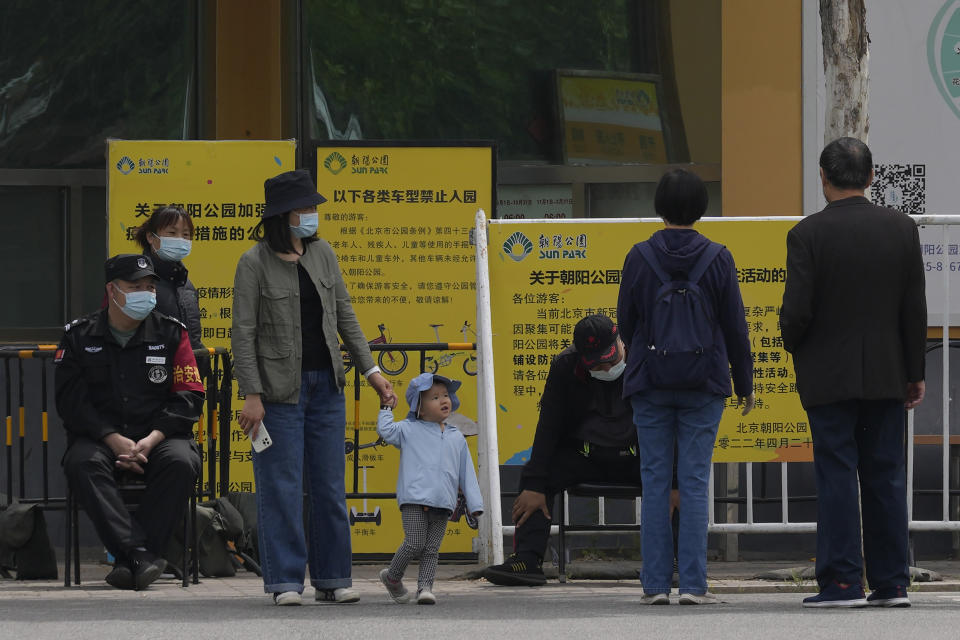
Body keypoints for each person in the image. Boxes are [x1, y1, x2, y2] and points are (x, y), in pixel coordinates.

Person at [232, 169, 396, 606]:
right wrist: (252, 393)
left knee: (329, 486)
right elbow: (242, 333)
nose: (312, 215)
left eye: (312, 207)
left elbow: (346, 316)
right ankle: (285, 582)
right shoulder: (253, 262)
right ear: (282, 215)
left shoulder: (324, 254)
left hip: (327, 387)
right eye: (304, 208)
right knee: (281, 487)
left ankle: (332, 576)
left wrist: (372, 372)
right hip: (277, 392)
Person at [781, 137, 926, 609]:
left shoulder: (806, 235)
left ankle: (842, 583)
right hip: (887, 372)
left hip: (828, 374)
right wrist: (915, 369)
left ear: (823, 178)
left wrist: (793, 344)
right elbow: (913, 310)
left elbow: (796, 312)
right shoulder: (902, 229)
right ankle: (892, 583)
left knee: (837, 474)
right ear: (870, 176)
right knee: (885, 474)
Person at [618, 168, 753, 605]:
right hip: (704, 381)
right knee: (694, 481)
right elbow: (735, 327)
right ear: (701, 208)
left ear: (659, 206)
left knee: (655, 480)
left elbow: (626, 322)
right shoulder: (718, 256)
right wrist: (745, 383)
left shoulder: (639, 256)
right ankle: (694, 585)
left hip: (650, 382)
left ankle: (655, 585)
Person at [483, 314, 671, 587]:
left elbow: (670, 424)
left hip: (638, 455)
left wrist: (675, 480)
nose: (606, 367)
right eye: (596, 362)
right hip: (585, 455)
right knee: (536, 477)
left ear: (620, 340)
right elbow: (549, 426)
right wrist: (535, 484)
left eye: (610, 358)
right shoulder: (565, 366)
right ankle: (527, 560)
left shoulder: (647, 359)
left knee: (679, 482)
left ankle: (674, 561)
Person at [56, 254, 204, 590]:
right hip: (100, 438)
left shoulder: (171, 333)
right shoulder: (79, 337)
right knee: (82, 464)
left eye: (149, 287)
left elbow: (189, 396)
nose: (145, 293)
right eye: (135, 287)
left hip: (160, 436)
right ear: (112, 290)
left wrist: (151, 439)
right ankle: (140, 553)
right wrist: (111, 438)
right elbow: (70, 402)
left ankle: (130, 558)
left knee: (182, 462)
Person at [376, 372, 483, 605]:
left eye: (445, 395)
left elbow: (467, 474)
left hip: (444, 502)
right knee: (414, 542)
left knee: (432, 549)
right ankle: (393, 577)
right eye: (434, 397)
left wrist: (475, 505)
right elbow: (386, 431)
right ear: (420, 408)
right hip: (414, 499)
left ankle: (425, 588)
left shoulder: (456, 437)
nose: (443, 400)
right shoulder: (408, 429)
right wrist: (386, 408)